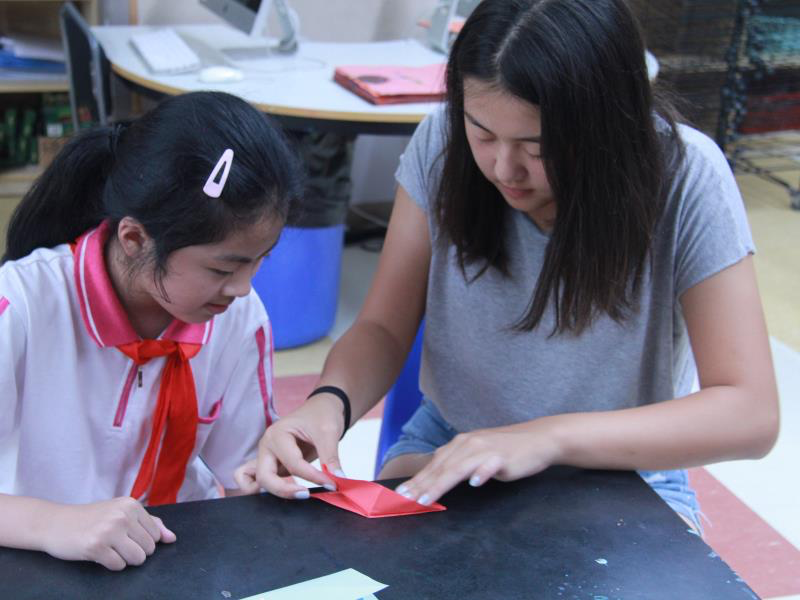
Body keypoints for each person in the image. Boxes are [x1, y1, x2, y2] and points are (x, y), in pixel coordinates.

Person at [237, 0, 779, 532]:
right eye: (482, 133)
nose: (503, 168)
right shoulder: (442, 142)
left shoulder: (685, 176)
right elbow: (382, 326)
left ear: (608, 126)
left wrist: (546, 437)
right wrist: (328, 405)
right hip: (453, 447)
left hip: (626, 472)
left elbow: (750, 413)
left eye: (537, 147)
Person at [0, 91, 302, 570]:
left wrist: (274, 469)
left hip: (177, 554)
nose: (243, 288)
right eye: (223, 268)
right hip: (39, 556)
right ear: (135, 238)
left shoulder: (238, 317)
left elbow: (243, 468)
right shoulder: (19, 308)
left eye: (259, 260)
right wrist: (55, 523)